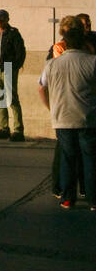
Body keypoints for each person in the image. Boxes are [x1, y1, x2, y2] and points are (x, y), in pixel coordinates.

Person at [38, 16, 96, 210]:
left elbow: (41, 88)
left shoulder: (52, 64)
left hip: (62, 117)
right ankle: (93, 198)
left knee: (68, 158)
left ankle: (67, 197)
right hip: (87, 116)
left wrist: (50, 107)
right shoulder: (92, 61)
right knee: (90, 159)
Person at [0, 9, 26, 141]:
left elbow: (20, 51)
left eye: (0, 18)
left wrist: (15, 66)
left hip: (8, 68)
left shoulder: (13, 33)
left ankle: (18, 130)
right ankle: (3, 128)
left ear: (6, 19)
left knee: (12, 99)